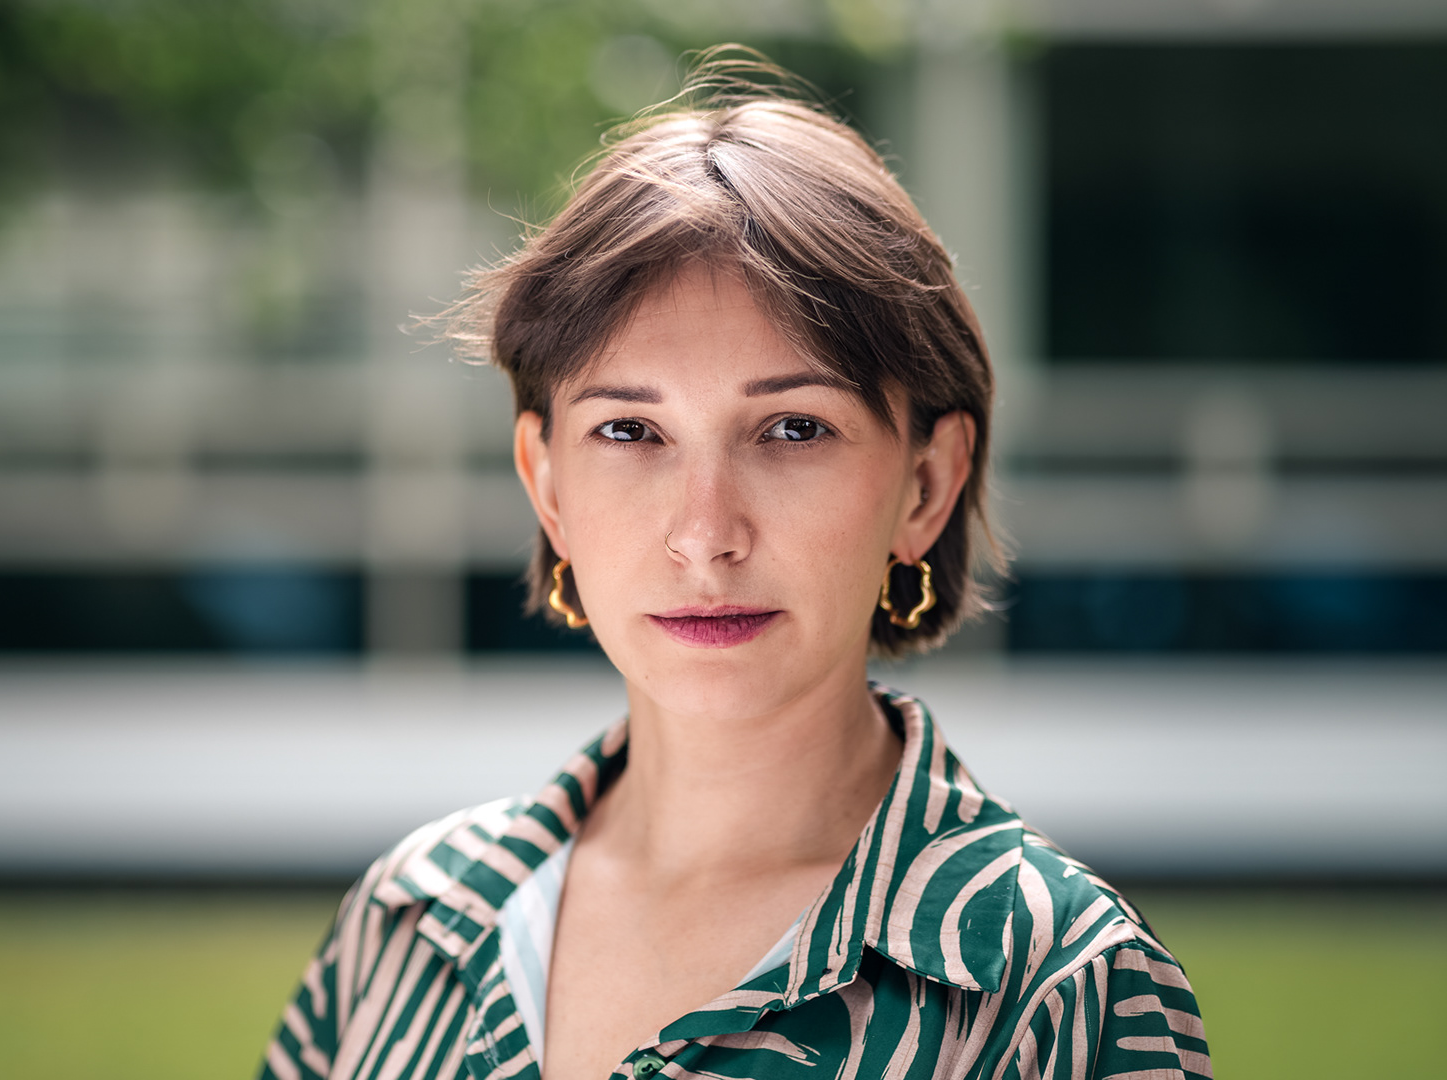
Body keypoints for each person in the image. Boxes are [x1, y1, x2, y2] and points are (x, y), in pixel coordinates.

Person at [259, 52, 1209, 1080]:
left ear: (926, 487)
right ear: (547, 483)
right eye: (630, 431)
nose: (705, 532)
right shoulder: (407, 922)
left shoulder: (1057, 984)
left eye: (793, 428)